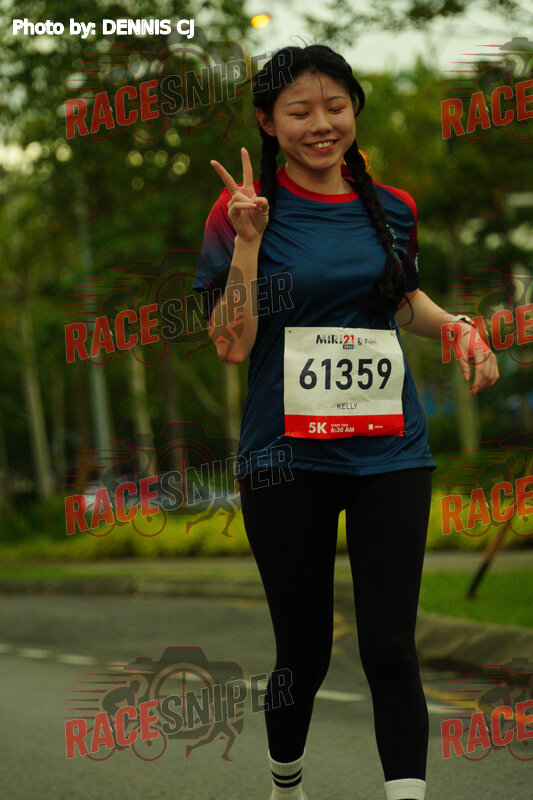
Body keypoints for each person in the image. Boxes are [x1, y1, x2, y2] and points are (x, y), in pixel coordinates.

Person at [192, 44, 499, 800]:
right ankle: (286, 784)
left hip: (390, 453)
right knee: (303, 652)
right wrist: (250, 242)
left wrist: (459, 327)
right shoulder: (239, 212)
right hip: (285, 460)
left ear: (353, 110)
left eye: (335, 107)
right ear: (269, 122)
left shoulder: (391, 207)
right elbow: (232, 344)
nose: (321, 124)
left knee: (391, 648)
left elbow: (401, 301)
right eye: (299, 111)